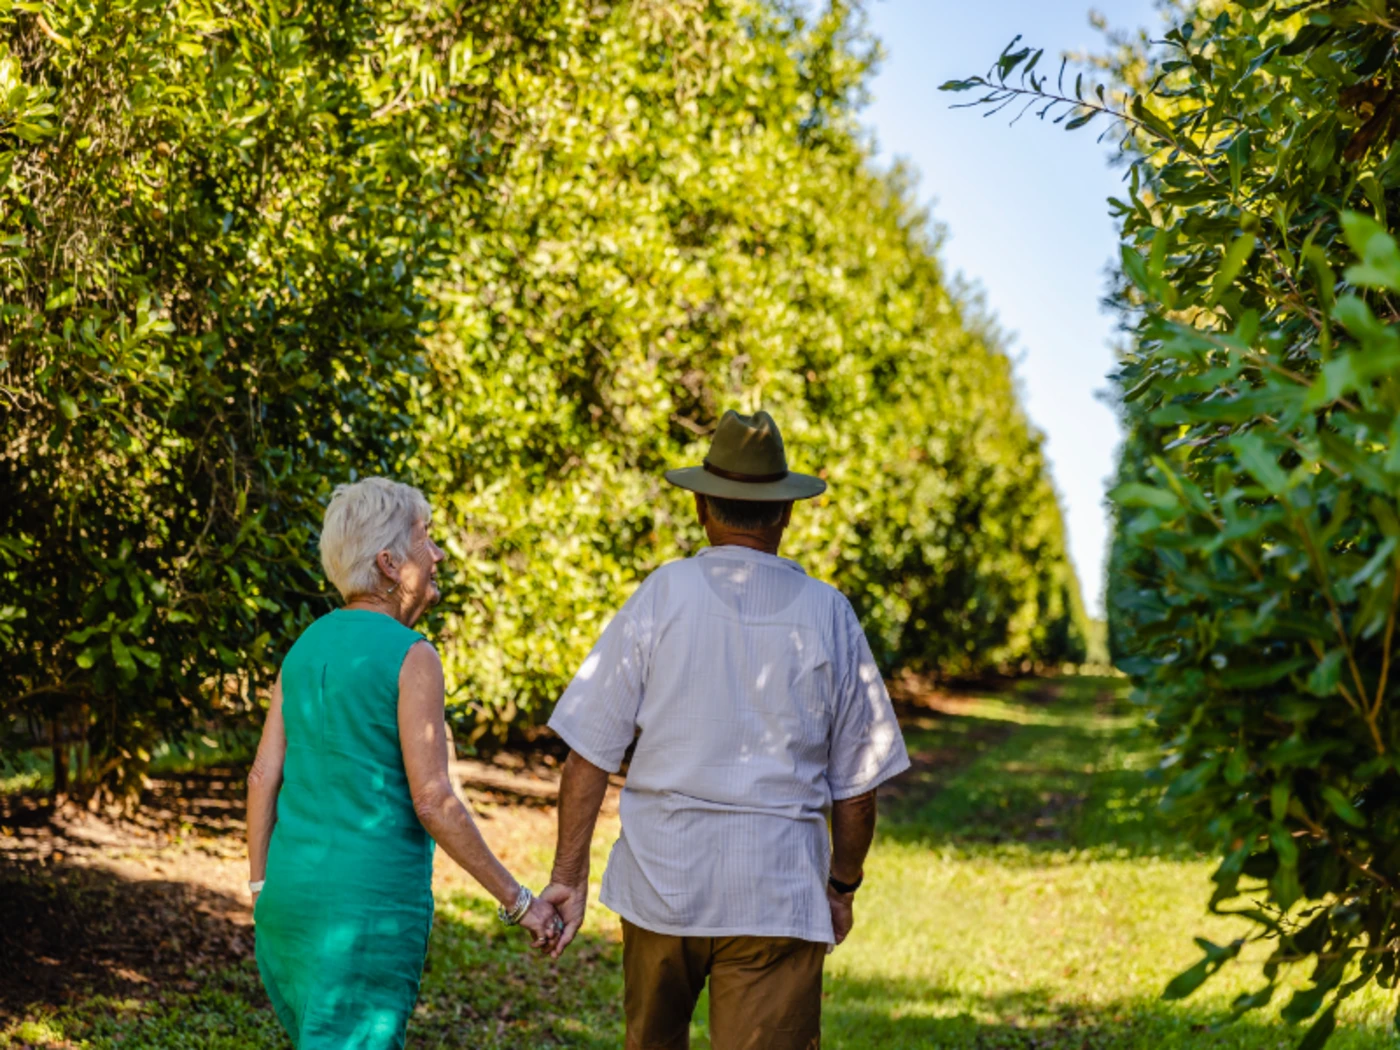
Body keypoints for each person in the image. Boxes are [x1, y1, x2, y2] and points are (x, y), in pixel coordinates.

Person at [541, 410, 910, 1050]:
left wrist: (568, 879)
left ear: (702, 507)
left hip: (664, 882)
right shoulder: (830, 615)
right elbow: (859, 783)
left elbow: (589, 753)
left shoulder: (663, 594)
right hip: (778, 893)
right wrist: (842, 886)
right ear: (785, 513)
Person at [245, 477, 561, 1050]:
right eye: (426, 540)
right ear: (390, 564)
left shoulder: (303, 647)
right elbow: (434, 801)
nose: (437, 555)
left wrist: (260, 886)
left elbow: (263, 776)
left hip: (286, 907)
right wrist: (520, 903)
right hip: (365, 915)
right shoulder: (413, 655)